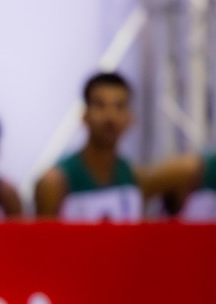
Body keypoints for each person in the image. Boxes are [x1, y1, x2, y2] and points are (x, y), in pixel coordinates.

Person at [34, 72, 144, 221]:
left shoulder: (133, 176)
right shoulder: (54, 182)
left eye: (119, 106)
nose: (110, 116)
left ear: (130, 118)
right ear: (84, 115)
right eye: (100, 105)